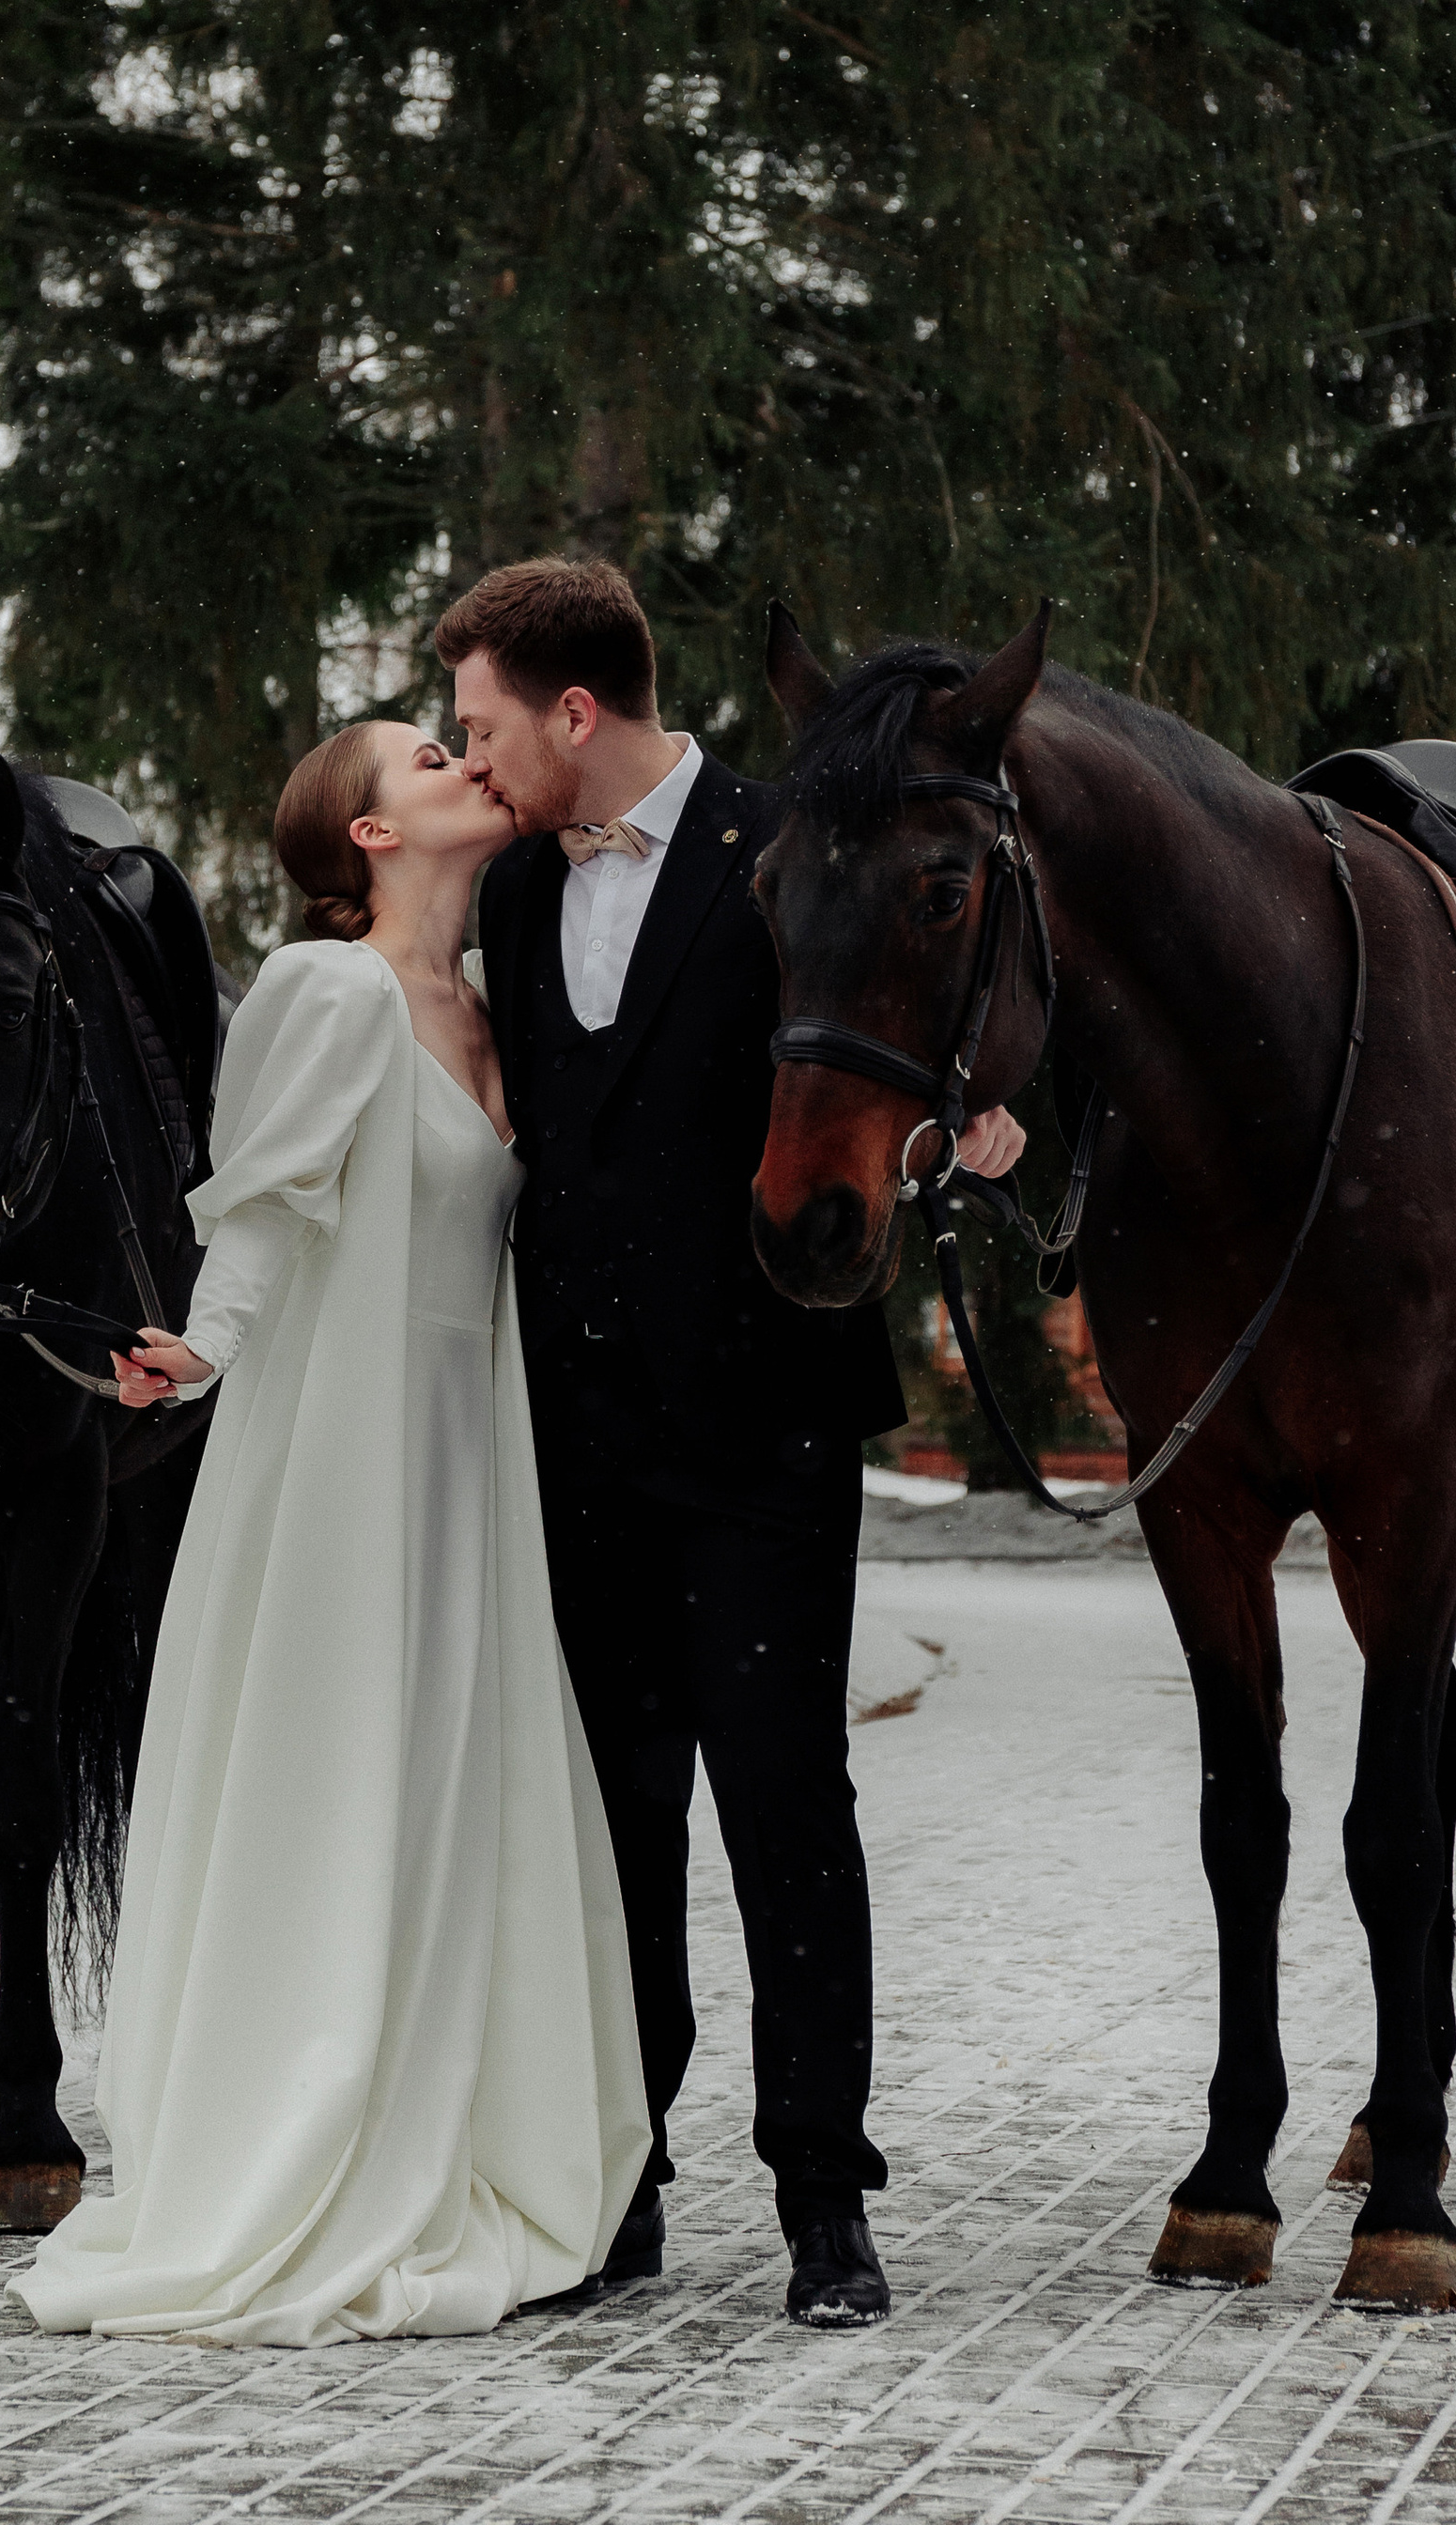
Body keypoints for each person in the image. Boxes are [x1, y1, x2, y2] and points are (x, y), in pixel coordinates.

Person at [437, 559, 1024, 2331]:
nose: (474, 761)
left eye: (483, 725)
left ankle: (824, 2200)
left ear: (577, 712)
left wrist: (975, 1125)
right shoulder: (515, 886)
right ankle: (618, 2187)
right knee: (614, 1828)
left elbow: (904, 1021)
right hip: (576, 1437)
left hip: (763, 1419)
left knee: (786, 1815)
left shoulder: (791, 840)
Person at [11, 719, 648, 2347]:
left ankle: (449, 2135)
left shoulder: (495, 1005)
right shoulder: (328, 990)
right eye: (429, 755)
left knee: (451, 1792)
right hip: (340, 1458)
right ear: (367, 835)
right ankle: (299, 2140)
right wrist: (204, 1349)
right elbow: (264, 1204)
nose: (467, 762)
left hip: (469, 1460)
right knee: (340, 1782)